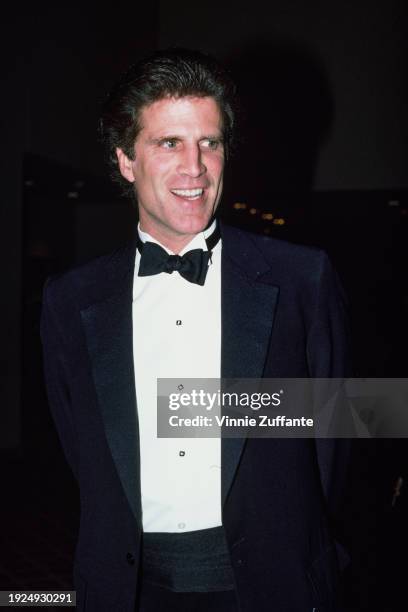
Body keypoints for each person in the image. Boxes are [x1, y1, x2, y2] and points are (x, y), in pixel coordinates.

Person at [41, 48, 351, 611]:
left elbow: (337, 434)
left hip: (273, 585)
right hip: (128, 589)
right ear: (126, 161)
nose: (195, 167)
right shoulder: (70, 299)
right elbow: (79, 451)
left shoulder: (302, 277)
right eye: (169, 144)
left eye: (210, 143)